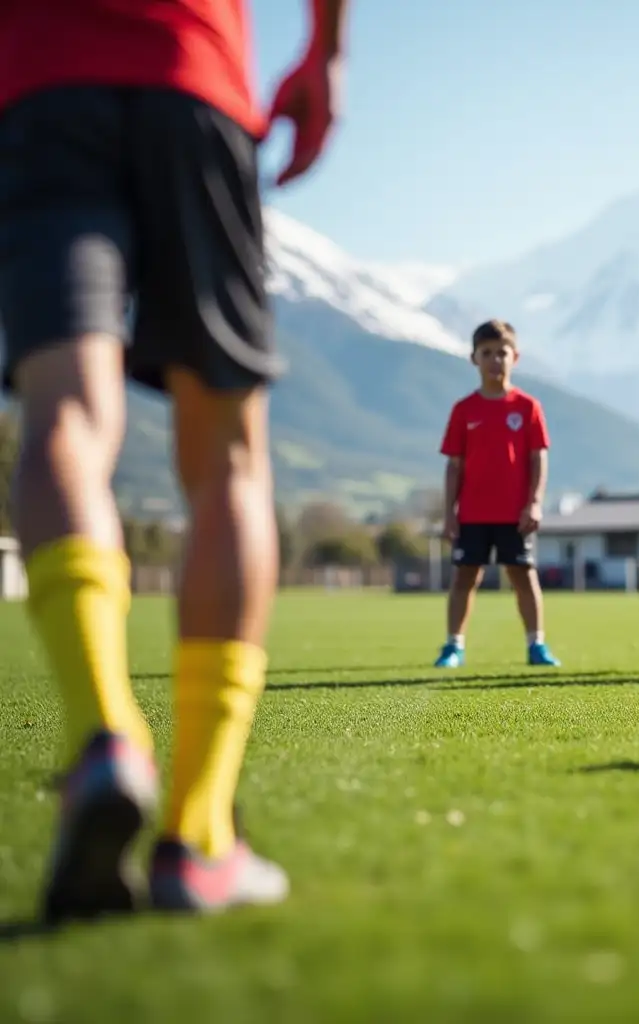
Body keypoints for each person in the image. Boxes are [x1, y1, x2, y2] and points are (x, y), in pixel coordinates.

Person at [0, 0, 350, 921]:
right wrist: (325, 52)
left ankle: (104, 736)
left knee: (65, 413)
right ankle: (197, 836)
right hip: (191, 75)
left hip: (41, 85)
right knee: (229, 460)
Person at [433, 320, 561, 669]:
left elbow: (539, 459)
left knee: (523, 576)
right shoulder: (464, 410)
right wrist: (449, 513)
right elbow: (453, 466)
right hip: (472, 513)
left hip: (514, 514)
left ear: (515, 357)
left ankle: (537, 645)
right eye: (486, 353)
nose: (494, 360)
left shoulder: (528, 407)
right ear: (474, 358)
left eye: (501, 353)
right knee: (464, 578)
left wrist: (533, 502)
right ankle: (453, 647)